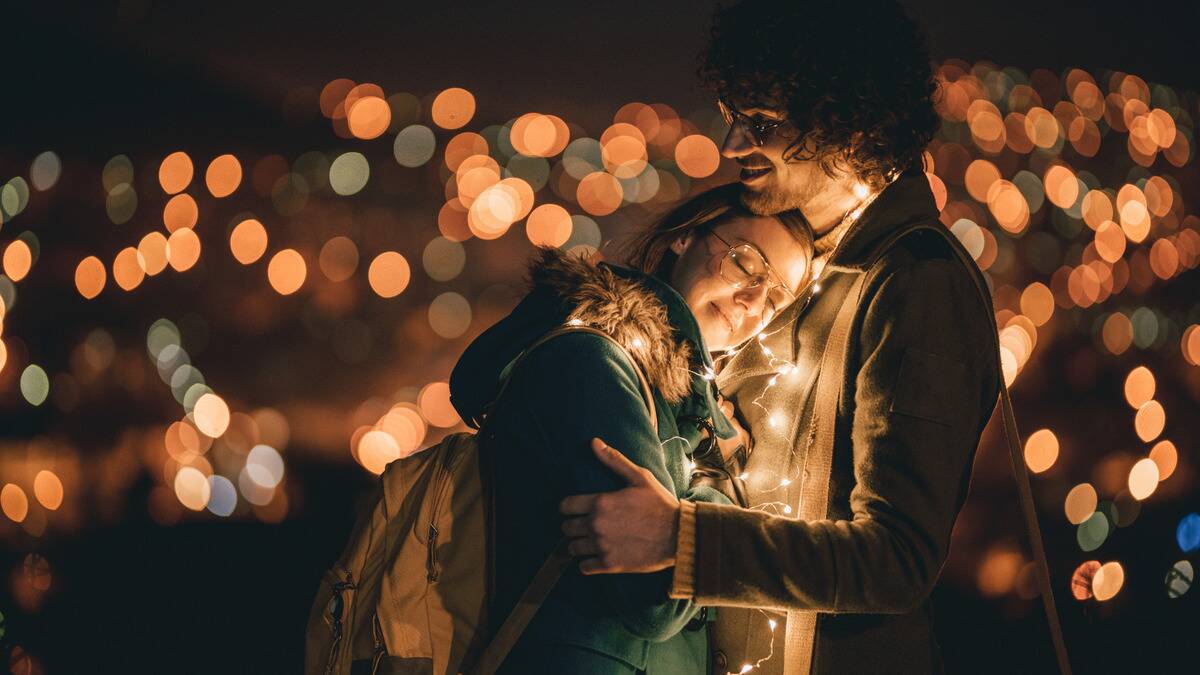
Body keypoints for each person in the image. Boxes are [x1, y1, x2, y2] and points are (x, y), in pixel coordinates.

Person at [559, 1, 1002, 673]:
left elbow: (897, 559)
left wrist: (682, 542)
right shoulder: (801, 263)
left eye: (760, 123)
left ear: (848, 125)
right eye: (732, 114)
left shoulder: (915, 282)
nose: (733, 144)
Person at [448, 184, 812, 673]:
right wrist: (719, 480)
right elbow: (654, 598)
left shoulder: (679, 402)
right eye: (747, 265)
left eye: (775, 298)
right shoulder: (592, 362)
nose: (752, 300)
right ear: (684, 237)